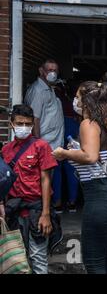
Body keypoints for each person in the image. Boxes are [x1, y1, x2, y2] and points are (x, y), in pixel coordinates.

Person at [52, 81, 107, 274]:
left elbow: (90, 156)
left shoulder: (88, 124)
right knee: (103, 254)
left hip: (101, 196)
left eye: (78, 97)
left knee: (93, 259)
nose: (75, 101)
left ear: (86, 101)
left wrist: (64, 153)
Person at [1, 105, 58, 274]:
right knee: (17, 259)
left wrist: (46, 214)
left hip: (36, 210)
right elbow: (2, 182)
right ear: (12, 124)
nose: (24, 127)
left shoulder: (41, 146)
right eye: (20, 123)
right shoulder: (6, 150)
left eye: (28, 124)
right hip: (14, 211)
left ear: (33, 124)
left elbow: (46, 179)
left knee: (38, 258)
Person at [52, 79, 80, 213]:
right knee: (71, 168)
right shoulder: (72, 103)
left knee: (57, 169)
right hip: (71, 133)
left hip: (58, 134)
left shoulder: (55, 101)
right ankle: (72, 202)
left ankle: (57, 202)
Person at [24, 59, 64, 151]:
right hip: (45, 146)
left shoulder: (49, 87)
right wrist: (38, 145)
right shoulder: (38, 91)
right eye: (50, 70)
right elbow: (34, 118)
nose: (53, 73)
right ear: (41, 71)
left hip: (54, 144)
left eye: (55, 71)